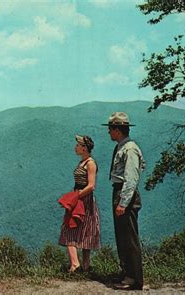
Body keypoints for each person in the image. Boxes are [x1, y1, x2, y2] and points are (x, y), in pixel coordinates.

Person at [102, 112, 145, 290]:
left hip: (124, 194)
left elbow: (132, 179)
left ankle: (134, 279)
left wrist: (123, 202)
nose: (109, 133)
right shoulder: (123, 147)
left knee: (129, 237)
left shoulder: (130, 149)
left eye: (110, 129)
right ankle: (127, 273)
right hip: (119, 192)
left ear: (117, 130)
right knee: (122, 236)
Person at [59, 135, 101, 272]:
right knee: (81, 229)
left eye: (78, 145)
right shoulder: (82, 162)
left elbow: (91, 185)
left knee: (75, 228)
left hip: (84, 200)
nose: (75, 147)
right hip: (79, 198)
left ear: (84, 148)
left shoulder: (90, 163)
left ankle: (76, 264)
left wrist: (75, 197)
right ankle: (84, 266)